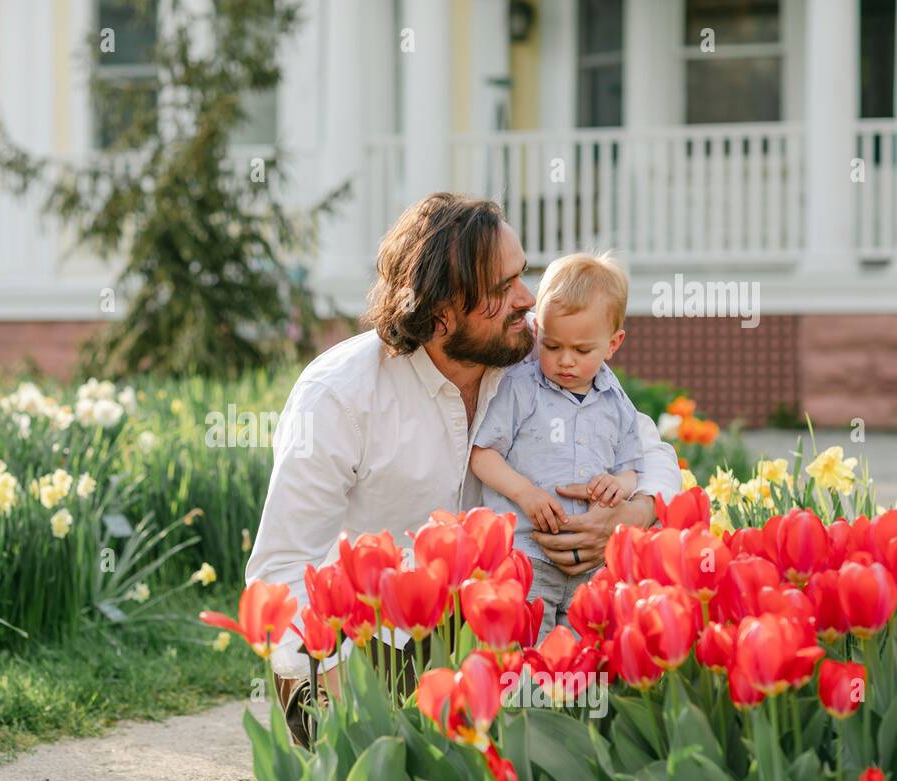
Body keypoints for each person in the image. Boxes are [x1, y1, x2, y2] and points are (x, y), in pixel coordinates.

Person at [245, 193, 681, 747]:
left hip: (512, 628)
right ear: (442, 311)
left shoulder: (540, 359)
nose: (528, 300)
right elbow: (282, 568)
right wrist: (338, 709)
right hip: (378, 648)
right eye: (503, 289)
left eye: (521, 276)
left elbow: (652, 452)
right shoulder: (339, 395)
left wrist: (630, 515)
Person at [469, 251, 643, 644]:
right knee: (523, 656)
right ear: (537, 333)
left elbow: (631, 467)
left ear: (613, 344)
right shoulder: (522, 388)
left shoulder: (616, 403)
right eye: (551, 345)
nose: (565, 361)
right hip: (528, 555)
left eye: (581, 351)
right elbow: (483, 454)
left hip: (590, 565)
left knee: (580, 663)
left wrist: (621, 486)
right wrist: (525, 493)